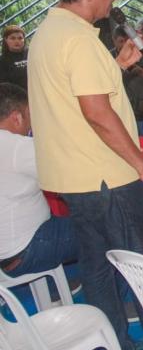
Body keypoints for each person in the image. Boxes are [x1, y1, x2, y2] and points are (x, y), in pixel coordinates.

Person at [27, 0, 143, 350]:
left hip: (74, 178)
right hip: (106, 177)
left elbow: (80, 95)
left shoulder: (48, 31)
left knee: (97, 266)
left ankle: (118, 347)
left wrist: (116, 68)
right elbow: (98, 115)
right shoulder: (81, 40)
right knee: (139, 265)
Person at [0, 83, 78, 279]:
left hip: (8, 248)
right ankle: (109, 296)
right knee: (106, 226)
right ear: (17, 117)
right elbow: (68, 175)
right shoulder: (18, 146)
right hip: (27, 248)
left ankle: (58, 285)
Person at [112, 26, 143, 138]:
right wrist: (121, 65)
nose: (125, 45)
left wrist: (140, 71)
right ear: (113, 41)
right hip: (121, 111)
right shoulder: (108, 57)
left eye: (128, 41)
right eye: (121, 41)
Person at [0, 25, 28, 90]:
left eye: (20, 38)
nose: (17, 41)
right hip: (16, 97)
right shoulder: (2, 61)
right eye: (12, 38)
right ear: (6, 40)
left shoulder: (32, 54)